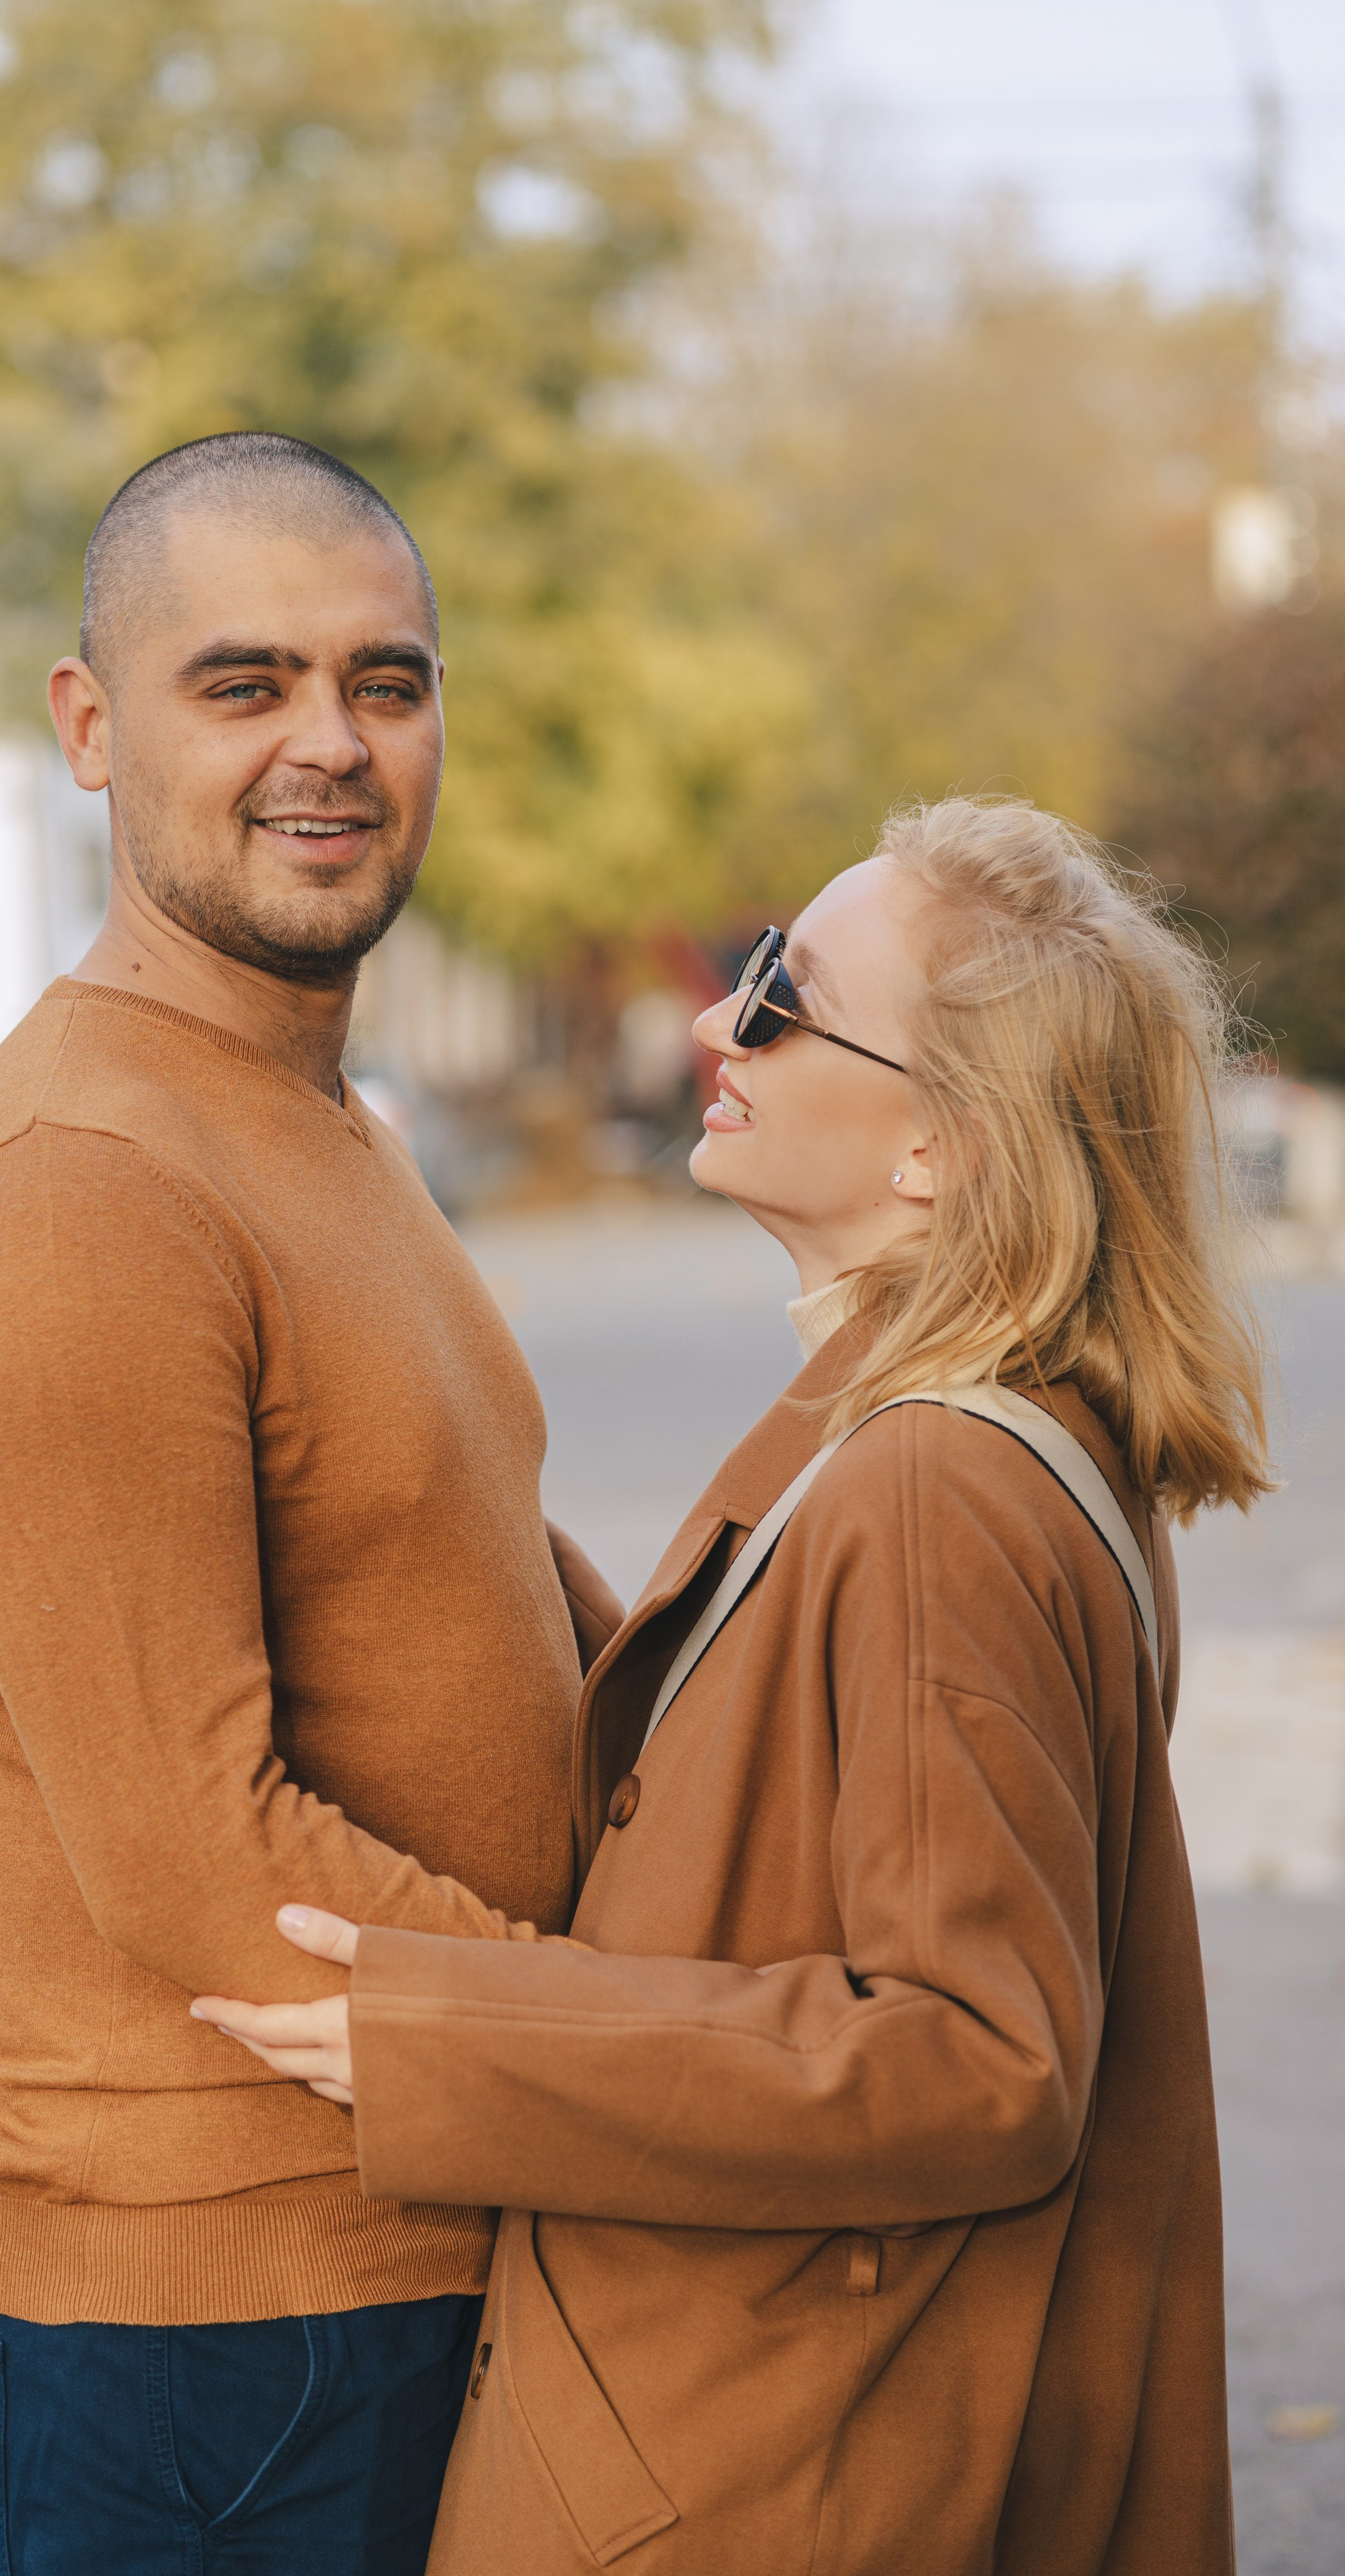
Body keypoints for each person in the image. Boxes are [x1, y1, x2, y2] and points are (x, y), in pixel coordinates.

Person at [195, 796, 1268, 2576]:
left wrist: (449, 2035)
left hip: (757, 2475)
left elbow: (976, 2058)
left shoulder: (938, 1483)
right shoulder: (1001, 1431)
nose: (716, 1016)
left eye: (781, 987)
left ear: (938, 1146)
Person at [0, 432, 622, 2576]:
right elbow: (206, 1865)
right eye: (246, 683)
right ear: (89, 730)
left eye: (387, 682)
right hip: (210, 2323)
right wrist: (650, 2046)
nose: (333, 744)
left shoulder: (317, 1120)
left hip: (392, 2244)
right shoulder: (83, 1184)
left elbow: (501, 1599)